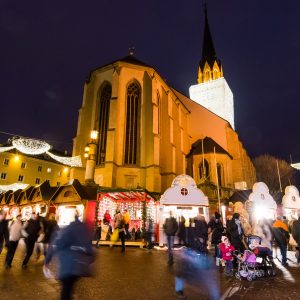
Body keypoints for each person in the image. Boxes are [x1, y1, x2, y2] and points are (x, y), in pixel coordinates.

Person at [44, 213, 95, 300]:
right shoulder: (85, 231)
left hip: (67, 265)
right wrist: (91, 261)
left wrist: (47, 261)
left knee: (66, 289)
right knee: (69, 287)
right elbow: (89, 249)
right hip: (79, 266)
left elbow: (56, 245)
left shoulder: (67, 230)